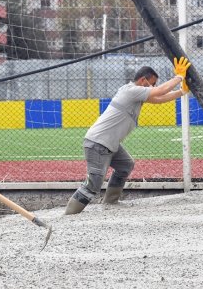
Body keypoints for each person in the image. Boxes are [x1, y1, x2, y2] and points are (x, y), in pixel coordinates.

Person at [65, 57, 192, 215]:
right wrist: (179, 77)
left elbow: (159, 98)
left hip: (108, 143)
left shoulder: (135, 93)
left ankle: (111, 202)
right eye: (152, 83)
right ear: (143, 80)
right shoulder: (131, 91)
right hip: (98, 143)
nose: (153, 87)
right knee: (93, 185)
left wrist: (182, 91)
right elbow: (159, 92)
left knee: (125, 165)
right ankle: (69, 215)